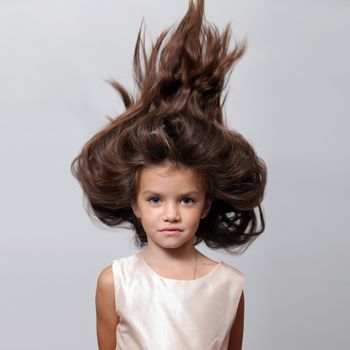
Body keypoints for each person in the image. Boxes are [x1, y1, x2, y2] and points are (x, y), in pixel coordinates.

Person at [71, 0, 267, 349]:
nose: (171, 213)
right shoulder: (115, 283)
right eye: (155, 199)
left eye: (187, 199)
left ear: (206, 204)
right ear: (134, 202)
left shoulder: (229, 286)